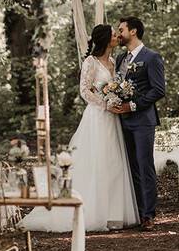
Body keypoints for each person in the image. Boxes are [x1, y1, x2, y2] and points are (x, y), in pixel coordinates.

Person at [20, 24, 140, 232]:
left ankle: (113, 214)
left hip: (113, 120)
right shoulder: (90, 62)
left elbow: (117, 88)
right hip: (97, 117)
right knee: (95, 161)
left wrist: (117, 100)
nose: (116, 37)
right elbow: (84, 91)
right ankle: (91, 211)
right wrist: (105, 104)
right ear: (104, 39)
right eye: (113, 35)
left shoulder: (113, 62)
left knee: (113, 162)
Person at [110, 16, 166, 231]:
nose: (118, 33)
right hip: (122, 120)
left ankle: (148, 214)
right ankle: (137, 210)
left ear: (133, 31)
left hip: (142, 120)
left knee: (145, 165)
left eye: (121, 29)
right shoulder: (121, 58)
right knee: (130, 166)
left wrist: (132, 106)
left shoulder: (152, 57)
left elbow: (158, 90)